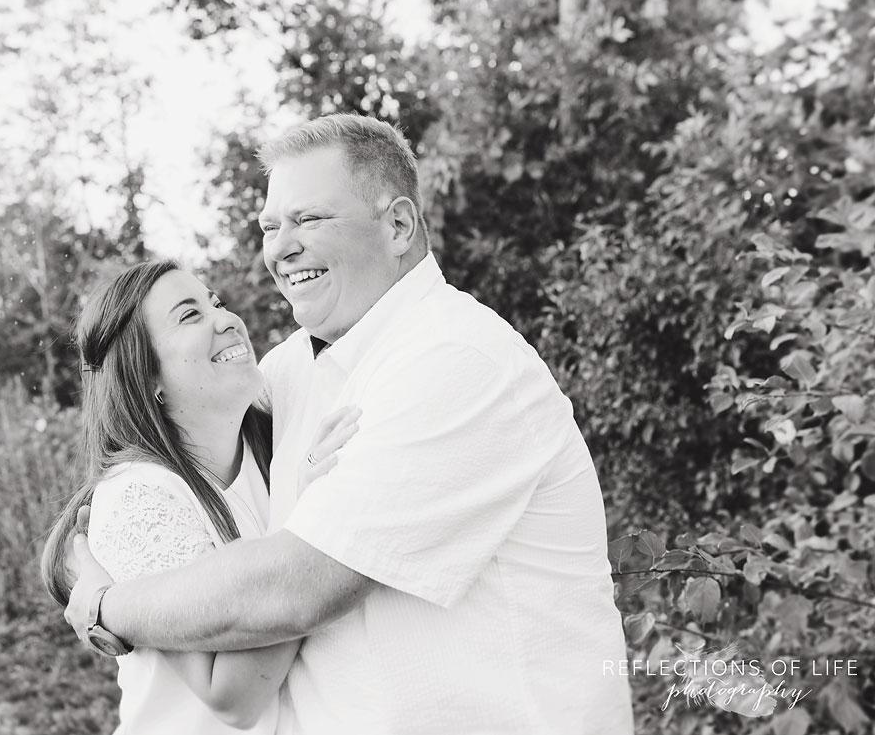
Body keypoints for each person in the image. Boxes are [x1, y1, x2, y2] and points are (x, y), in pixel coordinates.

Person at [63, 114, 635, 734]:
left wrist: (105, 603)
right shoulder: (289, 372)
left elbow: (295, 590)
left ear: (397, 225)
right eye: (271, 226)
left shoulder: (456, 360)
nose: (280, 248)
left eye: (308, 219)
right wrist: (76, 552)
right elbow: (149, 468)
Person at [39, 260, 360, 733]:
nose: (226, 319)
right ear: (146, 376)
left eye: (217, 302)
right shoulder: (140, 497)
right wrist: (307, 505)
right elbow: (232, 698)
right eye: (189, 315)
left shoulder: (270, 440)